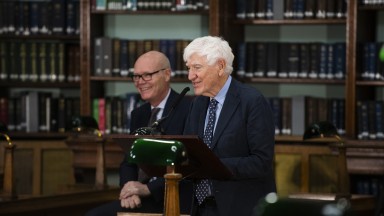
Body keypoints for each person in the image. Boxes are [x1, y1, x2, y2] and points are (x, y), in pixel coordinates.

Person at [85, 50, 193, 216]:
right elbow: (129, 161)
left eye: (147, 75)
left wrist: (147, 189)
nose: (140, 82)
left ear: (166, 74)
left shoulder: (188, 109)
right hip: (139, 196)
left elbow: (189, 165)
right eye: (136, 76)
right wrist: (130, 188)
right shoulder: (139, 113)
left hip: (172, 197)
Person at [183, 36, 276, 216]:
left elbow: (261, 162)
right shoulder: (197, 104)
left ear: (220, 66)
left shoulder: (252, 102)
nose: (190, 76)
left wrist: (214, 166)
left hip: (239, 207)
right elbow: (190, 153)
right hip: (198, 206)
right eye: (189, 68)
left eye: (197, 68)